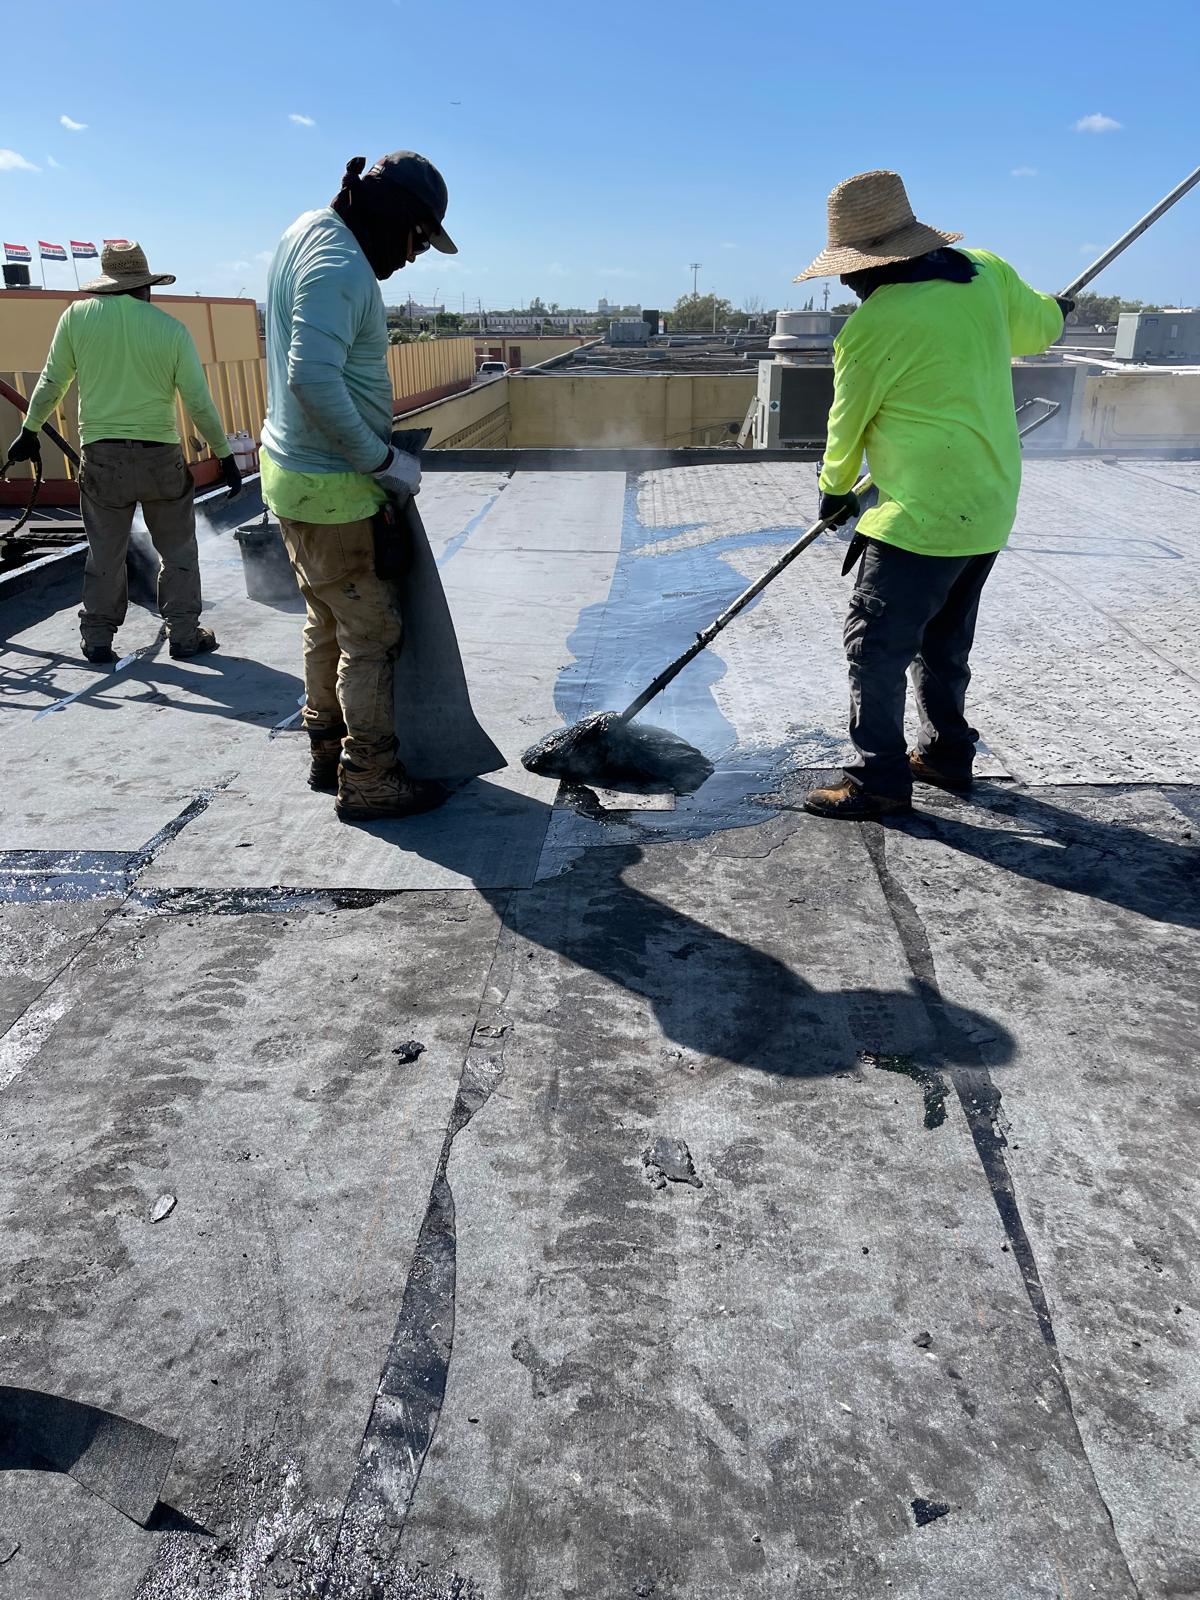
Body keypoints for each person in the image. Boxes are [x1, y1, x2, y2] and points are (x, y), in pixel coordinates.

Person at [794, 171, 1070, 820]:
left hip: (919, 518)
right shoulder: (986, 271)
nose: (846, 282)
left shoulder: (872, 327)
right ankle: (948, 755)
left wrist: (833, 491)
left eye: (852, 269)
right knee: (944, 643)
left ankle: (878, 781)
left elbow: (847, 426)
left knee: (875, 647)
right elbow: (1039, 331)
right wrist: (1059, 312)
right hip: (990, 507)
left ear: (875, 264)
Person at [259, 150, 457, 821]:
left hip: (292, 478)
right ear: (398, 219)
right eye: (418, 241)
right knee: (370, 636)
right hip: (336, 489)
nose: (413, 258)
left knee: (324, 619)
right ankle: (369, 777)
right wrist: (379, 461)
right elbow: (310, 378)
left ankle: (325, 748)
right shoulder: (342, 266)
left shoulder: (305, 232)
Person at [7, 241, 241, 663]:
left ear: (106, 285)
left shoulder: (76, 318)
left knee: (105, 551)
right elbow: (199, 402)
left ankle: (98, 637)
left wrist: (29, 431)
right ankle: (185, 634)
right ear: (145, 287)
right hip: (161, 458)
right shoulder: (171, 329)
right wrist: (225, 455)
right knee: (178, 550)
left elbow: (51, 382)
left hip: (103, 459)